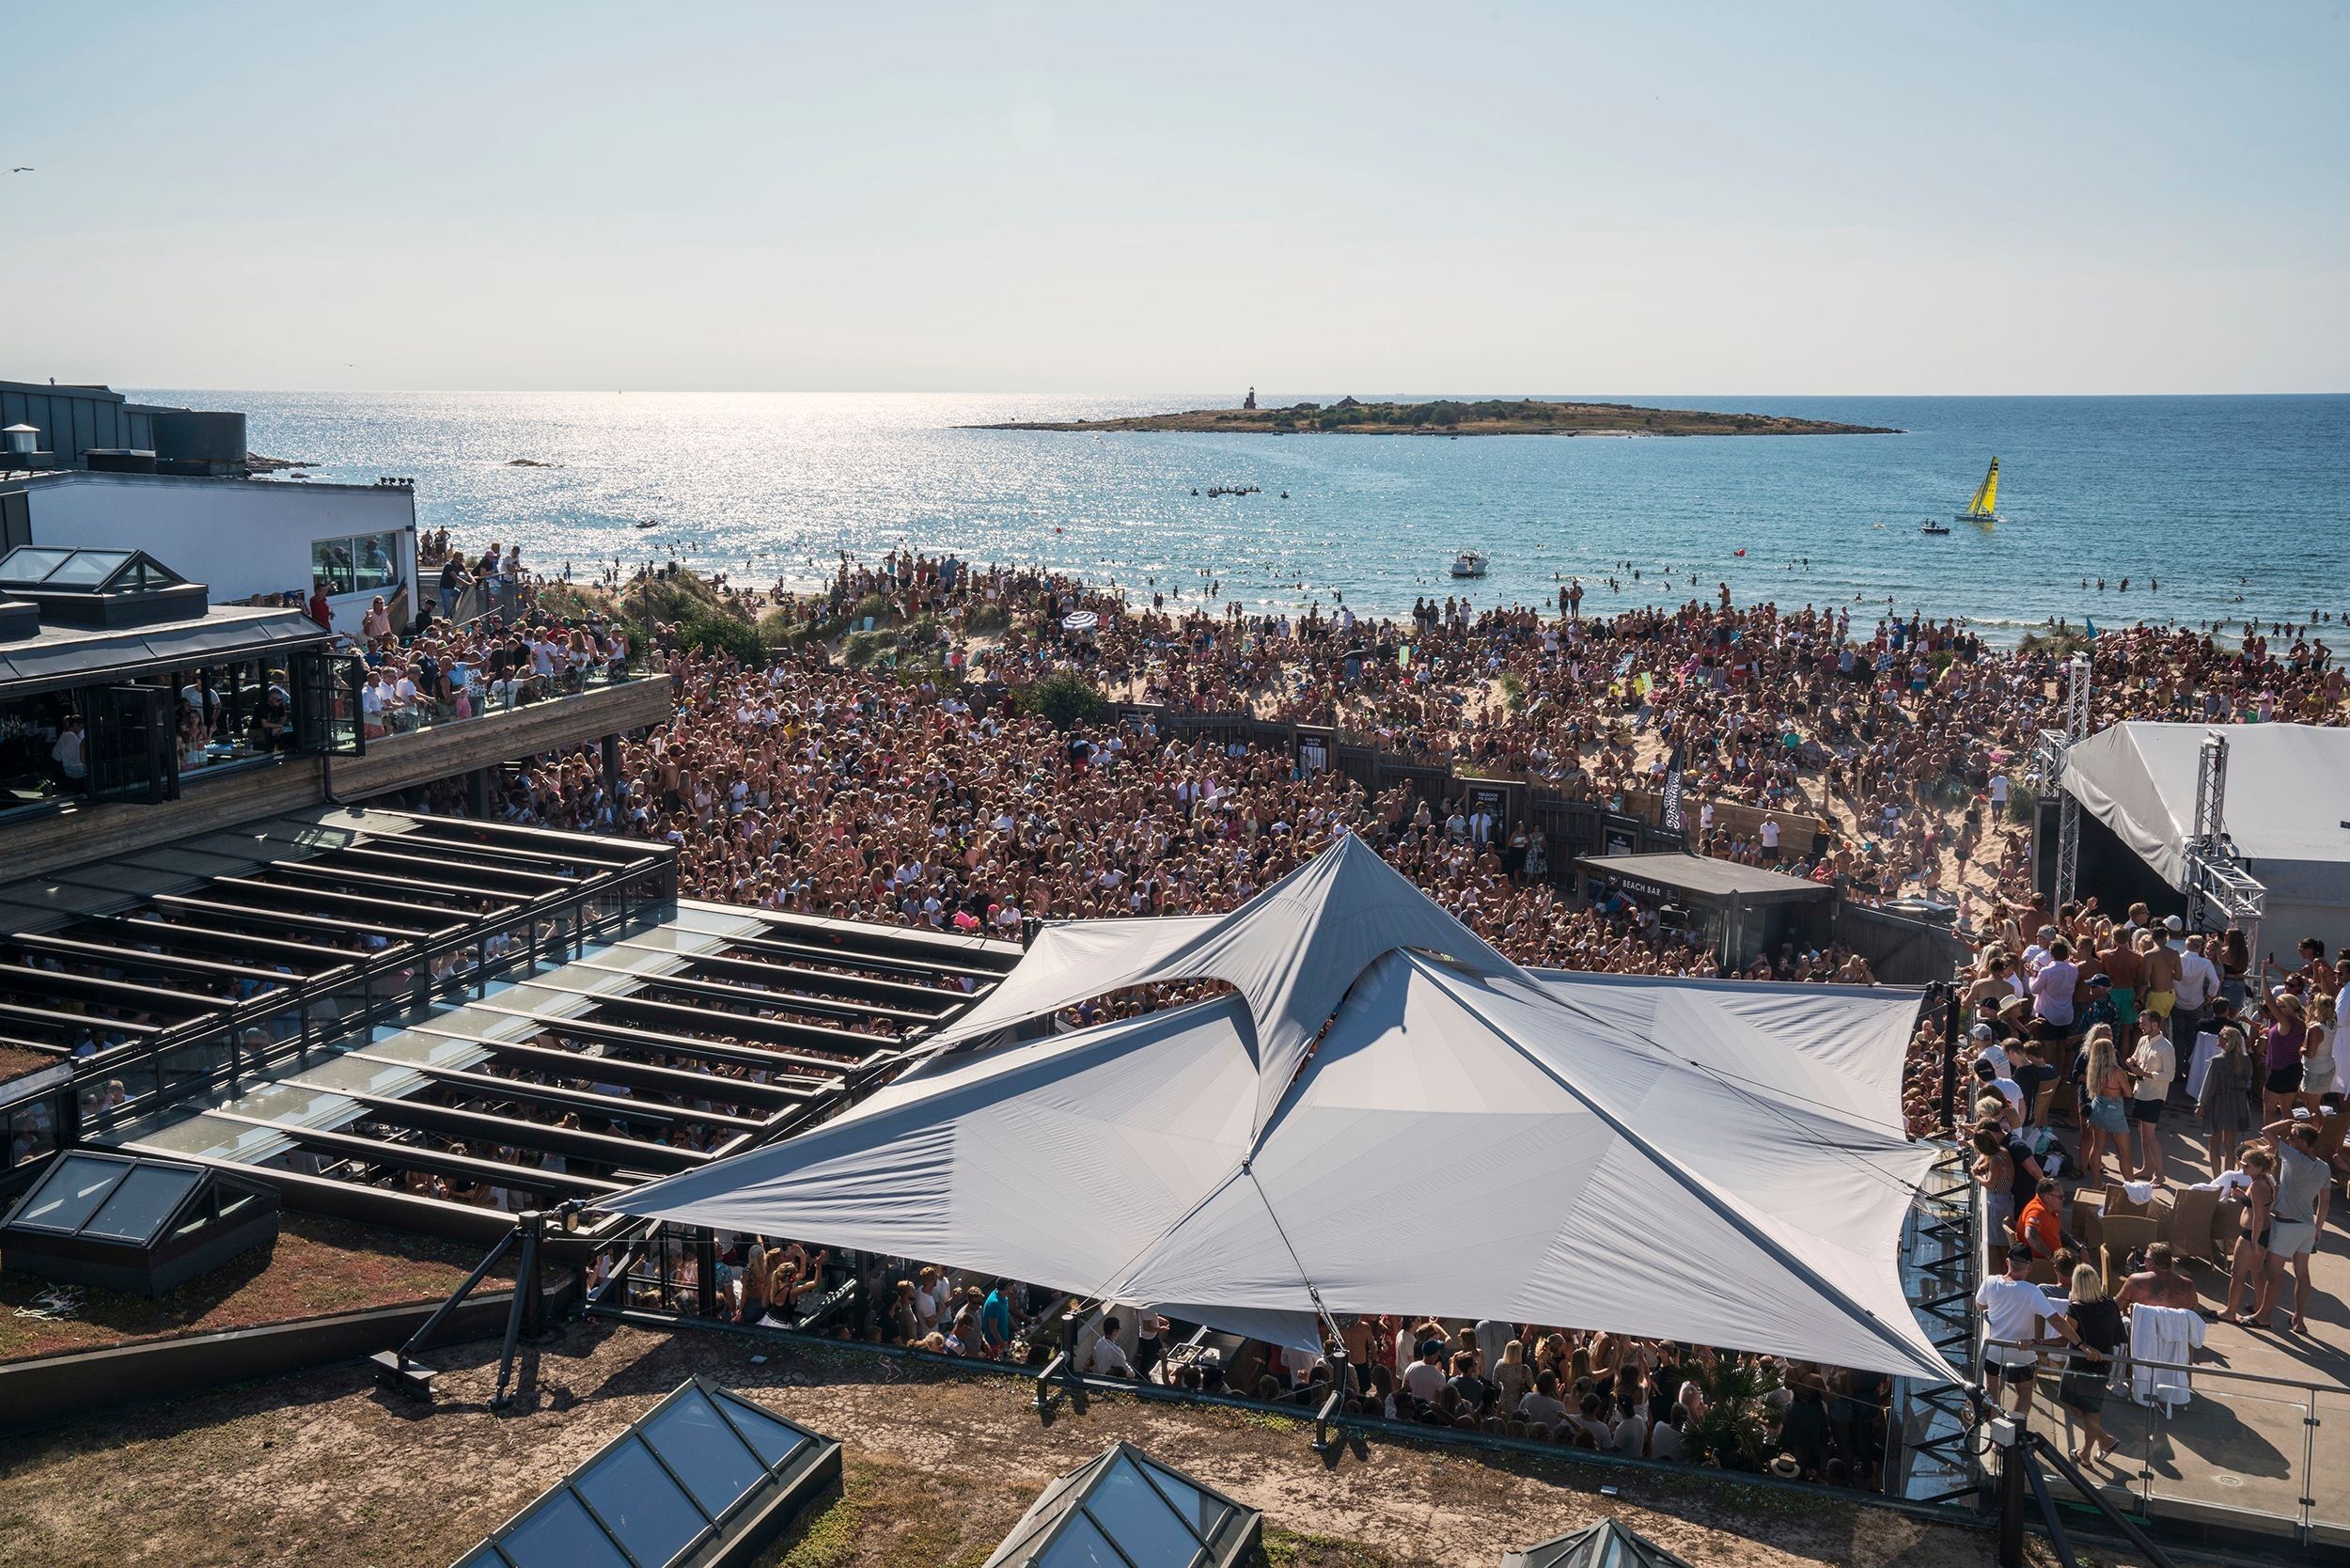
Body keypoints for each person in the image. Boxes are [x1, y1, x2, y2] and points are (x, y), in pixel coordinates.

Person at [2257, 1117, 2330, 1335]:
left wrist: (2287, 1120)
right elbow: (2324, 1202)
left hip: (2286, 1224)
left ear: (2304, 1143)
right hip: (2307, 1227)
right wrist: (2318, 1228)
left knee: (2274, 1273)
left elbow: (2266, 1130)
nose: (2289, 1138)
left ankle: (2264, 1315)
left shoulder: (2292, 1156)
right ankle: (2299, 1320)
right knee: (2302, 1273)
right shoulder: (2324, 1167)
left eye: (2294, 1137)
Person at [2052, 1262, 2123, 1466]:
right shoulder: (2110, 1305)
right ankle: (2103, 1439)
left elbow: (2064, 1338)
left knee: (2074, 1402)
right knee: (2089, 1407)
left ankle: (2086, 1453)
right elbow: (2118, 1336)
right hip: (2103, 1363)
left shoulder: (2076, 1308)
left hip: (2078, 1364)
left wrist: (2037, 1342)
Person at [1975, 1244, 2056, 1414]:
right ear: (2029, 1268)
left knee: (1993, 1394)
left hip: (1993, 1350)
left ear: (2007, 1262)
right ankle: (2013, 1432)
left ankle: (1995, 1434)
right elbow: (2056, 1320)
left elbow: (1980, 1305)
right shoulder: (2032, 1292)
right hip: (2021, 1353)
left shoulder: (1990, 1282)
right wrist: (2078, 1341)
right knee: (2025, 1394)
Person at [2217, 1147, 2277, 1327]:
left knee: (2237, 1273)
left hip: (2252, 1234)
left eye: (2246, 1165)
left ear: (2259, 1167)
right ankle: (2261, 1309)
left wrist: (2254, 1242)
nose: (2242, 1167)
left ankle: (2230, 1311)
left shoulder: (2257, 1185)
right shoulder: (2266, 1181)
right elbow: (2261, 1207)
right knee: (2257, 1272)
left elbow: (2258, 1216)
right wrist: (2244, 1197)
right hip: (2263, 1232)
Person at [2196, 1024, 2257, 1179]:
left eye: (2220, 1036)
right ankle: (2228, 1179)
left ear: (2227, 1041)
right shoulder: (2246, 1059)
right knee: (2231, 1146)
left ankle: (2217, 1178)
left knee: (2214, 1145)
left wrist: (2201, 1105)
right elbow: (2249, 1080)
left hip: (2218, 1104)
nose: (2217, 1038)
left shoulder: (2217, 1061)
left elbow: (2209, 1086)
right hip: (2238, 1104)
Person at [2079, 1025, 2134, 1184]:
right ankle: (2131, 1186)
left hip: (2098, 1106)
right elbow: (2129, 1093)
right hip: (2114, 1109)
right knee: (2124, 1153)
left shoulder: (2093, 1069)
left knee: (2097, 1147)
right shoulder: (2117, 1072)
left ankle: (2096, 1183)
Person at [2126, 1011, 2176, 1184]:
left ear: (2155, 1025)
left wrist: (2144, 1073)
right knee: (2142, 1134)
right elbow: (2137, 1057)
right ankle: (2147, 1168)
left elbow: (2169, 1075)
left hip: (2154, 1096)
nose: (2140, 1026)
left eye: (2143, 1023)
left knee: (2149, 1136)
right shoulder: (2143, 1040)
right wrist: (2131, 1061)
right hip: (2140, 1091)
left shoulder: (2166, 1047)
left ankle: (2160, 1175)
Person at [2300, 993, 2338, 1112]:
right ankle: (2319, 1126)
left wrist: (2299, 1047)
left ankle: (2318, 1129)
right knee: (2314, 1103)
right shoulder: (2333, 1022)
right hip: (2327, 1067)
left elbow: (2310, 1053)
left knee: (2313, 1110)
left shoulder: (2315, 1029)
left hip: (2315, 1071)